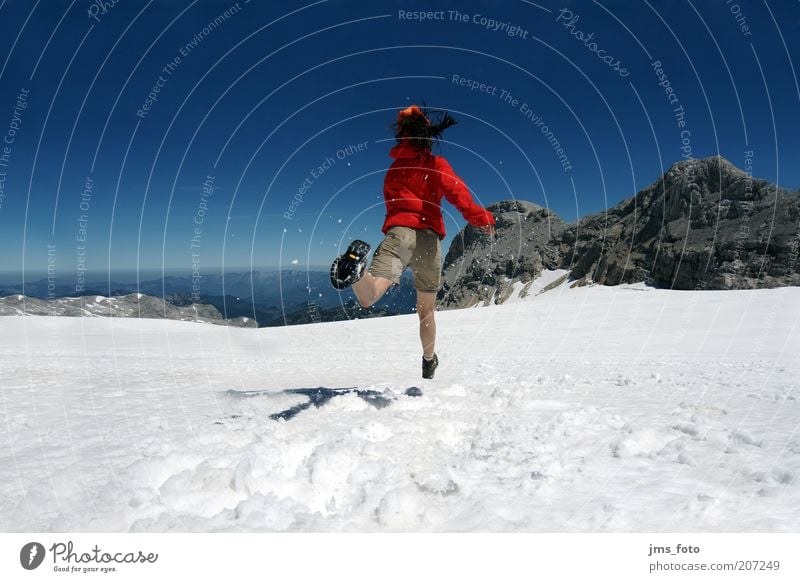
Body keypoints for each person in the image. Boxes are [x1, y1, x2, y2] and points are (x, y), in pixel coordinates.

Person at [330, 104, 496, 379]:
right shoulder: (436, 165)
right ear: (427, 136)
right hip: (429, 240)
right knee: (426, 309)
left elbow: (393, 206)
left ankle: (358, 274)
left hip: (400, 234)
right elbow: (459, 196)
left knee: (370, 296)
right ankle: (429, 360)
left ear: (402, 137)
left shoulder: (393, 171)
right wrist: (482, 219)